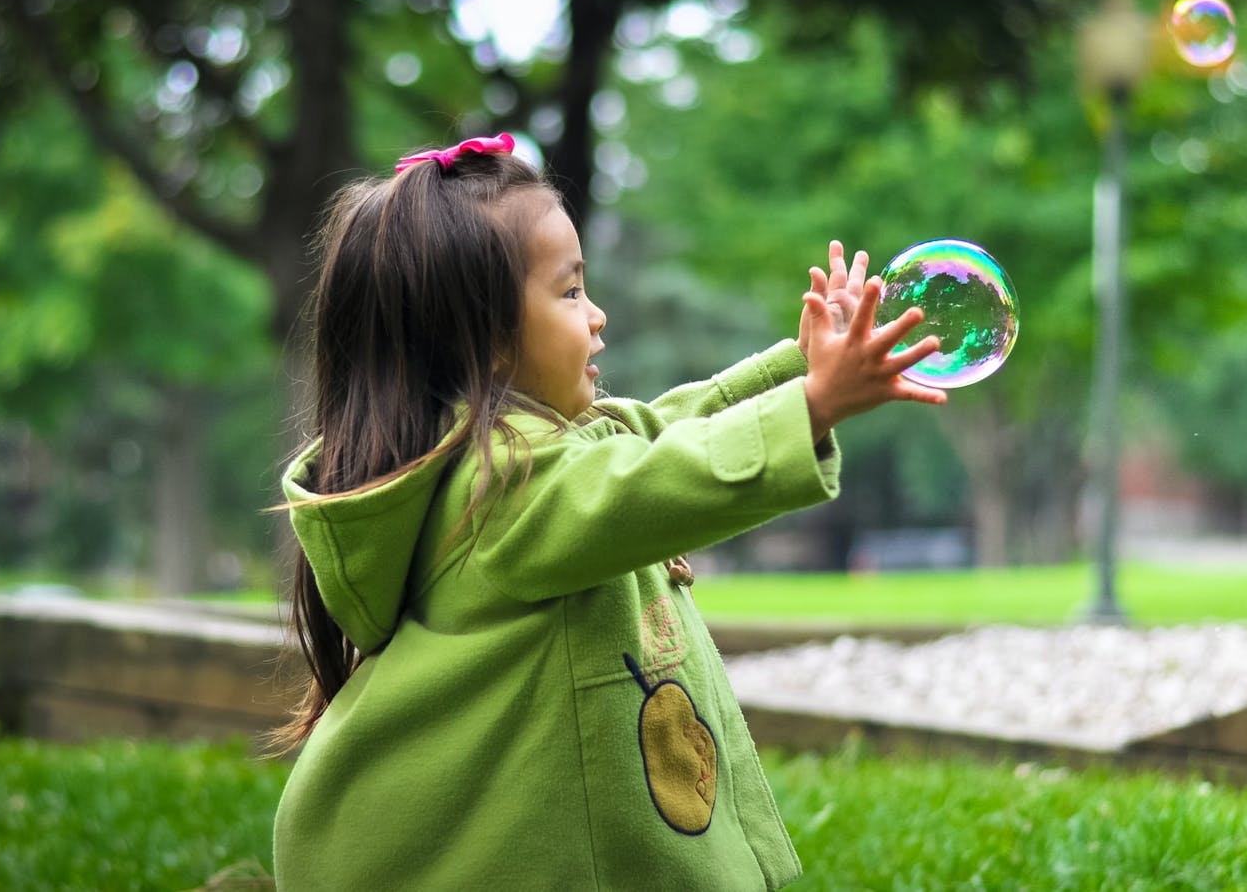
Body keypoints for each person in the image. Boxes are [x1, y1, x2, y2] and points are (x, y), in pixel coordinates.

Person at [269, 133, 946, 891]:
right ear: (488, 342)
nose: (596, 317)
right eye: (568, 292)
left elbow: (661, 429)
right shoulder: (502, 490)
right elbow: (654, 478)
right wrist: (815, 403)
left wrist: (801, 366)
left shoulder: (525, 458)